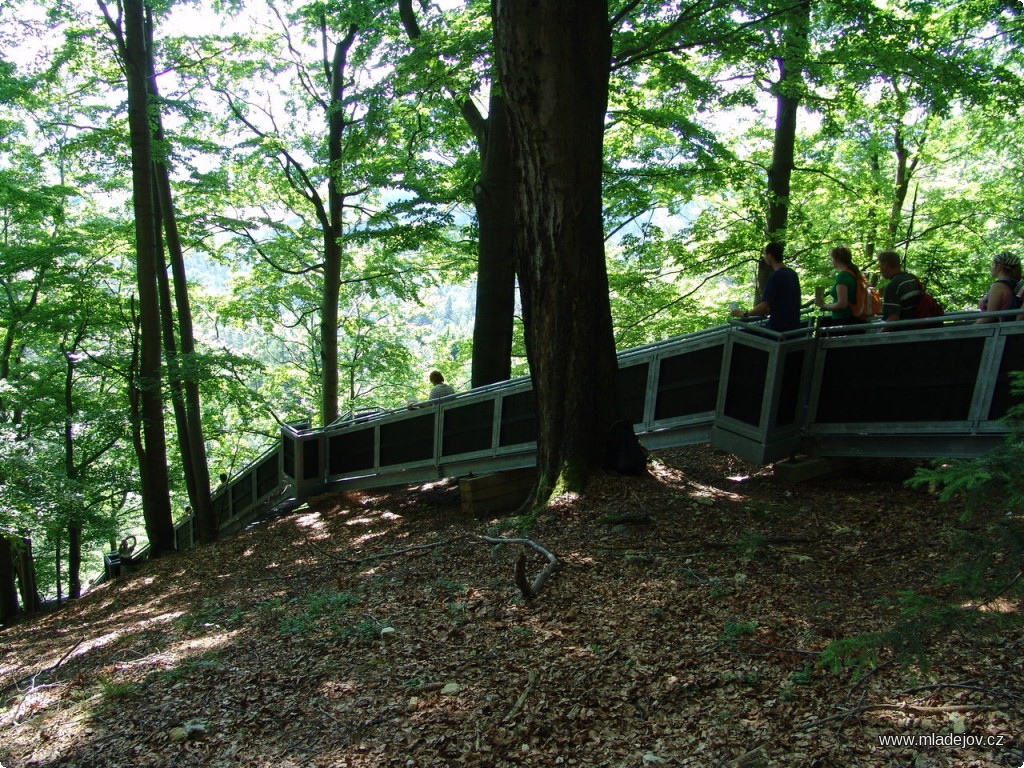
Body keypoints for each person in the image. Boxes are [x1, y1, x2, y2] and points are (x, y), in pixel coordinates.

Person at [729, 241, 802, 333]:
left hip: (778, 329)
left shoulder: (776, 276)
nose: (764, 257)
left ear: (770, 255)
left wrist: (743, 314)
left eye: (764, 254)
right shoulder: (792, 274)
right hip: (794, 328)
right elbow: (786, 302)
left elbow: (764, 306)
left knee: (738, 334)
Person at [814, 245, 866, 329]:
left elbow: (842, 304)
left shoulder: (842, 276)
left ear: (837, 259)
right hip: (856, 319)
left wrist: (824, 305)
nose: (831, 261)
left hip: (844, 321)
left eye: (831, 258)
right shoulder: (854, 273)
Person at [876, 250, 921, 324]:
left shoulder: (894, 285)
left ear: (885, 265)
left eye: (880, 265)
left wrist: (879, 334)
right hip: (914, 323)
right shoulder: (910, 278)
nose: (880, 270)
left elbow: (893, 318)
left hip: (903, 329)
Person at [977, 251, 1020, 323]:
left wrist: (965, 331)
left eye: (992, 264)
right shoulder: (1015, 284)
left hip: (996, 331)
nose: (991, 268)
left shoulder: (998, 286)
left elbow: (989, 318)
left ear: (998, 266)